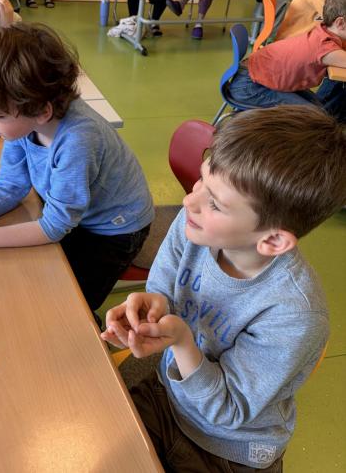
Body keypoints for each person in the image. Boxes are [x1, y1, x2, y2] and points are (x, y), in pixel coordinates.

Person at [101, 105, 346, 471]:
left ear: (273, 241)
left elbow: (229, 410)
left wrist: (181, 341)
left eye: (215, 203)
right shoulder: (195, 223)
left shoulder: (295, 313)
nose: (190, 200)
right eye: (202, 179)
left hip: (227, 448)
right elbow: (164, 286)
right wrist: (153, 305)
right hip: (171, 395)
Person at [0, 24, 154, 323]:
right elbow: (10, 185)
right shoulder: (25, 119)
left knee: (67, 307)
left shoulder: (78, 139)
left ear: (42, 111)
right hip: (75, 214)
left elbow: (54, 226)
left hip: (115, 230)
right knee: (32, 277)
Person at [228, 0, 346, 123]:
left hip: (255, 76)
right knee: (315, 117)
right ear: (340, 23)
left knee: (320, 110)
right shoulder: (327, 49)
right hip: (250, 87)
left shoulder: (322, 30)